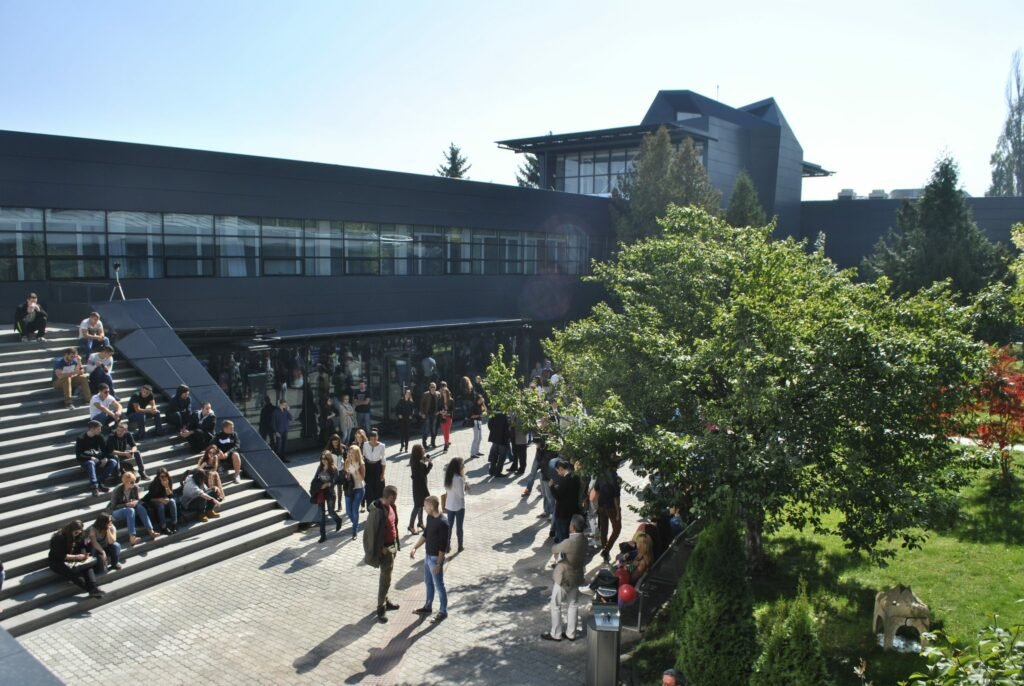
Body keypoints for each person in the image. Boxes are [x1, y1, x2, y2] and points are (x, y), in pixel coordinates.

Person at [541, 514, 587, 642]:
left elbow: (554, 548)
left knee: (555, 604)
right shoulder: (584, 539)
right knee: (573, 604)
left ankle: (556, 633)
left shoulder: (569, 542)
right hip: (577, 575)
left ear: (572, 527)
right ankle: (571, 633)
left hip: (565, 577)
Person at [363, 484, 401, 622]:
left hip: (391, 547)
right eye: (394, 498)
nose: (396, 500)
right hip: (385, 550)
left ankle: (385, 600)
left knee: (387, 576)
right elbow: (371, 534)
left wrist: (396, 543)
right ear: (390, 497)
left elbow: (393, 525)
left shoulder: (390, 506)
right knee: (385, 578)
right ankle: (381, 607)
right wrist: (380, 549)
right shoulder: (377, 511)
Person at [409, 495, 449, 623]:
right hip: (427, 556)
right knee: (428, 583)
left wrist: (439, 563)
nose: (424, 508)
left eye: (425, 506)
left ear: (432, 506)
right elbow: (426, 534)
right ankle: (428, 606)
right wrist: (415, 547)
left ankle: (443, 611)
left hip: (435, 558)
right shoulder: (430, 517)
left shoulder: (443, 522)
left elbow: (443, 546)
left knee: (439, 585)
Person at [48, 519, 103, 598]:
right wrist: (77, 557)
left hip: (74, 557)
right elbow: (60, 555)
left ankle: (94, 586)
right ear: (70, 530)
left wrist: (83, 555)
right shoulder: (59, 537)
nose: (77, 534)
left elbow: (82, 546)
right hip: (57, 561)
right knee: (73, 574)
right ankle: (91, 589)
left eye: (79, 532)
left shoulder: (79, 534)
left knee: (87, 566)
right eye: (76, 532)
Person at [109, 471, 160, 545]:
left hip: (130, 507)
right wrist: (126, 505)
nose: (134, 483)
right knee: (131, 510)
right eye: (131, 482)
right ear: (125, 482)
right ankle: (132, 537)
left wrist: (136, 502)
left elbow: (138, 500)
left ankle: (151, 531)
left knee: (140, 508)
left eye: (134, 481)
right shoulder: (117, 490)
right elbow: (113, 506)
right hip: (116, 511)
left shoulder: (135, 488)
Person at [76, 420, 118, 496]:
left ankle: (99, 481)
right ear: (92, 429)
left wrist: (104, 458)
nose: (100, 430)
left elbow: (105, 450)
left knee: (113, 461)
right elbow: (79, 456)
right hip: (86, 461)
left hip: (98, 458)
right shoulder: (81, 438)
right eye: (98, 429)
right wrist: (90, 458)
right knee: (91, 462)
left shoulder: (99, 436)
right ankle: (94, 487)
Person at [310, 450, 343, 542]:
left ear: (329, 459)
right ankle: (323, 535)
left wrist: (328, 484)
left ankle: (338, 520)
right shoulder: (319, 468)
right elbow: (314, 479)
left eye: (325, 459)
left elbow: (334, 481)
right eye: (322, 459)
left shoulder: (334, 469)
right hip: (320, 492)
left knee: (331, 512)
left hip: (330, 493)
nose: (323, 460)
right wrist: (318, 486)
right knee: (321, 515)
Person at [595, 467, 622, 563]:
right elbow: (616, 496)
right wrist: (618, 512)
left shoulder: (601, 473)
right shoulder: (614, 477)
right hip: (611, 507)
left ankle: (604, 552)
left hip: (601, 505)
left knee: (604, 530)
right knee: (617, 529)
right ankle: (606, 551)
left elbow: (596, 489)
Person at [550, 460, 581, 543]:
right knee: (569, 535)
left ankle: (563, 555)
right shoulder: (576, 478)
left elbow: (558, 497)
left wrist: (552, 487)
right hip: (573, 511)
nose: (557, 473)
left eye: (557, 471)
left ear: (560, 468)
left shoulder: (564, 481)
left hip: (563, 513)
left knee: (562, 537)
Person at [443, 457, 469, 553]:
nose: (463, 466)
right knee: (459, 527)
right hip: (459, 506)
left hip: (449, 505)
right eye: (462, 465)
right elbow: (461, 495)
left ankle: (447, 546)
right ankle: (460, 546)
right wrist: (466, 490)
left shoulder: (448, 476)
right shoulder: (459, 479)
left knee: (449, 526)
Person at [143, 467, 178, 534]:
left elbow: (170, 496)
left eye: (166, 475)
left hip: (165, 499)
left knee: (172, 501)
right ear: (158, 477)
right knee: (161, 506)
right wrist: (160, 499)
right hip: (155, 500)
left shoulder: (169, 480)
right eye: (162, 476)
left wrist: (166, 486)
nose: (164, 477)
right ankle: (163, 527)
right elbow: (149, 498)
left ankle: (174, 524)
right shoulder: (154, 484)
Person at [342, 445, 366, 540]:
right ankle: (355, 524)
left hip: (359, 489)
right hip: (349, 488)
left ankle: (354, 531)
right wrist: (346, 475)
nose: (351, 455)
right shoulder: (347, 462)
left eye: (353, 453)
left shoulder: (361, 463)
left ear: (357, 454)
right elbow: (346, 475)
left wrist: (356, 469)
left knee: (354, 511)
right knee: (348, 511)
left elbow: (361, 479)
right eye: (350, 453)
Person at [407, 444, 433, 533]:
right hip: (419, 487)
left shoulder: (418, 460)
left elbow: (424, 460)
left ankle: (420, 523)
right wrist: (430, 465)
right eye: (422, 449)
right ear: (418, 452)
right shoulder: (417, 463)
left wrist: (427, 459)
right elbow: (424, 473)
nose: (424, 449)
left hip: (421, 485)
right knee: (417, 506)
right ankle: (410, 526)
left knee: (422, 505)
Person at [212, 419, 244, 484]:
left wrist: (228, 453)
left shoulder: (234, 435)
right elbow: (212, 445)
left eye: (233, 428)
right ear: (225, 428)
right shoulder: (218, 435)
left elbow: (237, 446)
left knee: (236, 454)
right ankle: (218, 471)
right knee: (215, 455)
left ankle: (237, 475)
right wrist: (219, 451)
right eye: (231, 428)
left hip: (230, 455)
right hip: (221, 455)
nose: (232, 429)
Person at [363, 429, 386, 505]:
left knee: (378, 486)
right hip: (368, 467)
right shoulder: (365, 444)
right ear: (369, 438)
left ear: (377, 437)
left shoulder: (382, 446)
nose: (373, 441)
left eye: (375, 439)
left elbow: (383, 460)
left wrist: (382, 473)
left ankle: (379, 504)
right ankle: (369, 505)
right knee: (368, 486)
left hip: (377, 467)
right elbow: (363, 457)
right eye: (372, 439)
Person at [486, 410, 512, 477]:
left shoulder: (493, 415)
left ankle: (492, 471)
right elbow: (507, 429)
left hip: (494, 438)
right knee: (502, 457)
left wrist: (494, 432)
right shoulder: (505, 417)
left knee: (494, 456)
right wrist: (509, 437)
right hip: (502, 440)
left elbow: (489, 425)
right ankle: (497, 473)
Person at [419, 382, 440, 449]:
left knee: (433, 430)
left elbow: (440, 404)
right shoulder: (425, 394)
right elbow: (421, 404)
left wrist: (438, 412)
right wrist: (422, 413)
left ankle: (433, 443)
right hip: (427, 414)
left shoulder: (438, 394)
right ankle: (424, 444)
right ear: (429, 388)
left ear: (436, 388)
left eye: (434, 387)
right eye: (431, 387)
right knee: (426, 430)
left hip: (435, 414)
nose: (433, 388)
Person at [394, 388, 415, 453]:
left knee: (407, 433)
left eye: (409, 394)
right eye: (407, 393)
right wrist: (398, 415)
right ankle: (402, 445)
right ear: (404, 394)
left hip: (408, 419)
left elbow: (413, 410)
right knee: (402, 433)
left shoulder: (411, 402)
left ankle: (406, 447)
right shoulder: (401, 401)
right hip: (402, 419)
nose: (408, 394)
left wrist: (411, 415)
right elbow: (396, 409)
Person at [438, 381, 455, 453]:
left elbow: (453, 410)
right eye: (442, 392)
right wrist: (441, 412)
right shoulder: (440, 400)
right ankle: (447, 442)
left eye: (445, 392)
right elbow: (438, 408)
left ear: (447, 393)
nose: (443, 393)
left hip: (448, 417)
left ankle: (445, 445)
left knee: (447, 431)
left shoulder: (451, 400)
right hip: (442, 417)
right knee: (444, 432)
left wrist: (447, 412)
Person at [469, 393, 486, 458]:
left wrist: (483, 403)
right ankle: (472, 453)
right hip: (475, 423)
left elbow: (485, 410)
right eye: (480, 400)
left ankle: (477, 451)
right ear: (477, 400)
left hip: (479, 423)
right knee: (476, 438)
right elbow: (471, 416)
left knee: (480, 438)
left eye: (481, 400)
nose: (480, 401)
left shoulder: (480, 405)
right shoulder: (474, 406)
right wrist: (479, 415)